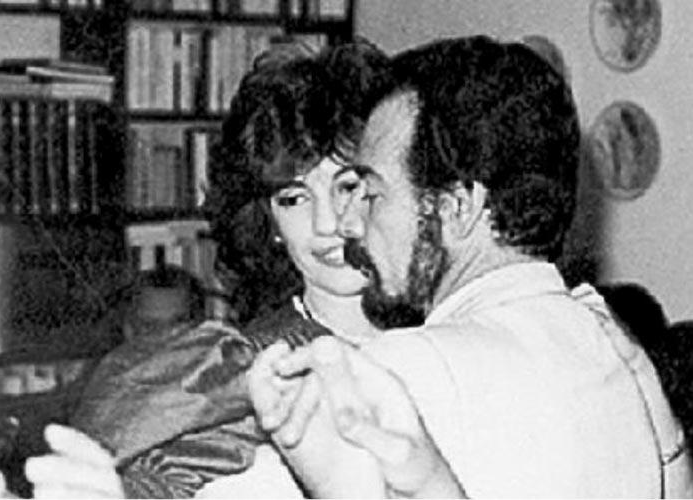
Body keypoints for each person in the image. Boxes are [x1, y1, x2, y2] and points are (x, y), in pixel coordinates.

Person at [0, 39, 393, 499]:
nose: (326, 224)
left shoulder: (438, 335)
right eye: (293, 198)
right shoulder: (230, 371)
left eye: (348, 187)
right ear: (269, 221)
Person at [249, 35, 693, 498]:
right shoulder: (616, 356)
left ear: (458, 208)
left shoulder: (403, 374)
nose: (348, 222)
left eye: (372, 194)